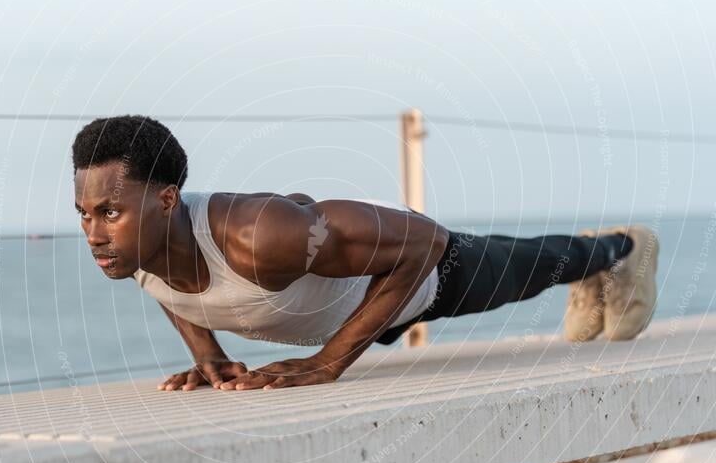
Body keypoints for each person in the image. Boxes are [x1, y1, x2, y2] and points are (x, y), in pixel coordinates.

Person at [72, 115, 660, 392]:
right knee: (531, 264)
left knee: (531, 266)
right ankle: (599, 259)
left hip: (424, 273)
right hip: (348, 303)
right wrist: (209, 355)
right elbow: (175, 288)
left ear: (168, 200)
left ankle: (621, 248)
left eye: (109, 213)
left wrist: (329, 361)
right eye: (85, 214)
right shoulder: (133, 248)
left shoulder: (259, 234)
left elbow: (425, 243)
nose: (94, 233)